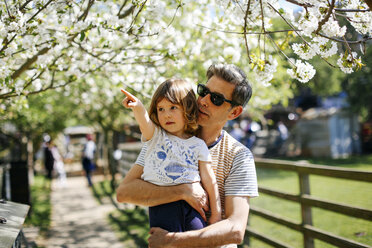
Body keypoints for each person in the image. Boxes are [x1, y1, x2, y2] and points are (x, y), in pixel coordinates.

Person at [116, 64, 258, 248]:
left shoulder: (239, 156)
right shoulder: (164, 141)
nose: (204, 100)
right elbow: (124, 193)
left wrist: (171, 241)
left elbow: (235, 229)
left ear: (234, 112)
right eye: (203, 91)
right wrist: (183, 191)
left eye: (216, 98)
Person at [120, 78, 221, 232]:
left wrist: (216, 213)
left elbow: (209, 178)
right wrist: (139, 108)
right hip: (163, 205)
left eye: (173, 107)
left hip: (193, 206)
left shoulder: (198, 144)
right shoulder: (156, 137)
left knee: (197, 241)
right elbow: (145, 124)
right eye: (161, 109)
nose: (166, 114)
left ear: (187, 109)